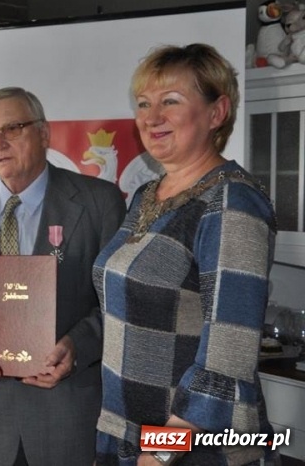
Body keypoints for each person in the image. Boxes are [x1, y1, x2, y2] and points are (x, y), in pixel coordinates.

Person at [93, 44, 278, 466]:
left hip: (193, 448)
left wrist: (158, 455)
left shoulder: (232, 201)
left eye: (170, 102)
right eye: (143, 103)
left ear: (217, 113)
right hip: (130, 433)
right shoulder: (145, 196)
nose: (151, 117)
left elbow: (228, 357)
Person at [0, 87, 126, 465]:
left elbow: (118, 303)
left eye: (12, 128)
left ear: (43, 134)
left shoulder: (99, 202)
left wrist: (78, 346)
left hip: (67, 414)